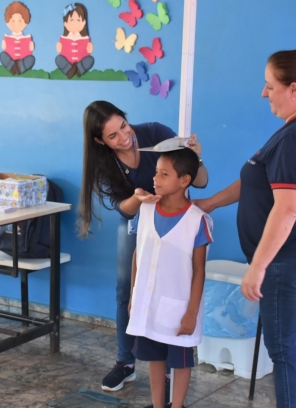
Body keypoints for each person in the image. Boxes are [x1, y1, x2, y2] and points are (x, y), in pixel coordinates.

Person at [195, 50, 296, 408]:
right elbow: (256, 179)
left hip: (288, 260)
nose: (264, 93)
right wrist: (208, 204)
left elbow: (288, 208)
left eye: (271, 86)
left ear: (295, 90)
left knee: (284, 351)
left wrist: (257, 266)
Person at [77, 100, 208, 392]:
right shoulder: (104, 162)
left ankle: (170, 359)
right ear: (100, 140)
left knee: (173, 284)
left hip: (174, 216)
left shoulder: (155, 133)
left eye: (123, 125)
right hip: (139, 216)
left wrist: (197, 158)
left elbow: (199, 181)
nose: (123, 137)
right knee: (127, 288)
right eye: (112, 136)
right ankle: (126, 361)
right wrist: (138, 198)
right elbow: (124, 210)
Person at [127, 148, 212, 408]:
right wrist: (134, 294)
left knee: (180, 359)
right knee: (153, 356)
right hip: (148, 302)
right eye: (156, 172)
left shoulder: (197, 220)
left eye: (165, 174)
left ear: (185, 180)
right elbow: (139, 253)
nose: (156, 178)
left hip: (179, 306)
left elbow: (199, 271)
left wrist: (191, 312)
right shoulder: (146, 209)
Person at [55, 3, 94, 78]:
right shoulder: (64, 39)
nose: (75, 22)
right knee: (58, 59)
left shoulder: (85, 39)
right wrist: (59, 48)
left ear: (83, 23)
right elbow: (61, 52)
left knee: (90, 59)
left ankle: (78, 70)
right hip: (67, 61)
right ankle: (69, 70)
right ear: (65, 23)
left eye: (78, 20)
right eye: (71, 20)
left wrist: (89, 49)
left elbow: (88, 52)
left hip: (81, 61)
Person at [0, 2, 35, 75]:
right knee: (2, 55)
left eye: (20, 21)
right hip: (10, 59)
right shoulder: (8, 38)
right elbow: (5, 49)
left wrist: (31, 47)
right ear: (8, 23)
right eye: (13, 21)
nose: (16, 24)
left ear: (26, 22)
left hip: (23, 59)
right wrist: (4, 45)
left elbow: (29, 51)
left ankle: (18, 67)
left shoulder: (26, 38)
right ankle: (14, 67)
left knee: (31, 59)